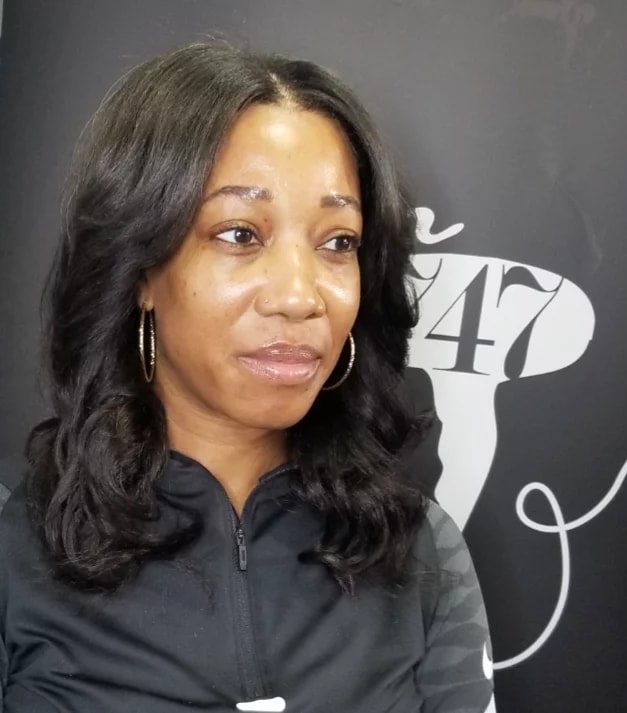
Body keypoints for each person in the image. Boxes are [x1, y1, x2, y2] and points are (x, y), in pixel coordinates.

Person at [0, 41, 493, 712]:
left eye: (338, 242)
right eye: (239, 234)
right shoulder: (17, 542)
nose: (299, 296)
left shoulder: (419, 548)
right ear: (141, 269)